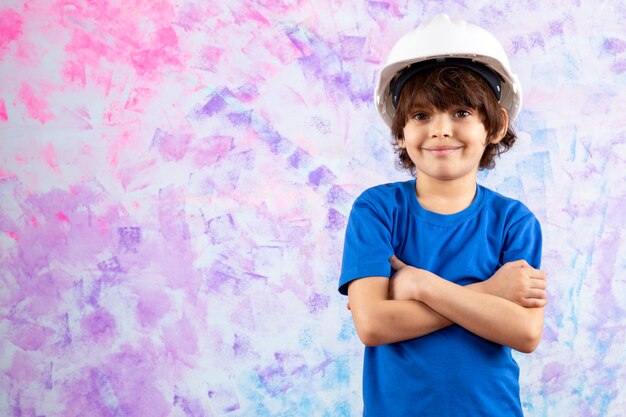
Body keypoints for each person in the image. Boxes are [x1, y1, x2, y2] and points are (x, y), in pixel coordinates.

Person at [338, 14, 547, 417]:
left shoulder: (514, 221)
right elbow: (373, 325)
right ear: (400, 131)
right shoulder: (377, 211)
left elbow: (524, 331)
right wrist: (490, 293)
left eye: (461, 112)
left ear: (496, 125)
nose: (440, 130)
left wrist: (419, 285)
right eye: (420, 116)